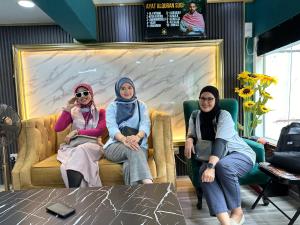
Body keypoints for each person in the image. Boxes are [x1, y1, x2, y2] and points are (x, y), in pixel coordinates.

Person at [184, 86, 255, 225]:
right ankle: (226, 222)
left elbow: (220, 142)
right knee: (203, 171)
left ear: (216, 100)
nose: (205, 102)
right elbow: (191, 133)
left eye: (210, 99)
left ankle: (237, 212)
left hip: (239, 154)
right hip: (217, 156)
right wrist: (189, 139)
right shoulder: (194, 115)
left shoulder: (224, 115)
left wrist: (211, 166)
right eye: (202, 98)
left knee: (222, 165)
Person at [55, 83, 106, 188]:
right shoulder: (73, 112)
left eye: (85, 93)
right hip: (74, 146)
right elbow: (58, 128)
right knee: (72, 159)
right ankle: (77, 195)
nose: (82, 96)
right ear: (76, 97)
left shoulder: (100, 111)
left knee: (81, 149)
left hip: (94, 146)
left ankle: (72, 192)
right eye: (79, 94)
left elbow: (99, 131)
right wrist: (67, 110)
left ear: (91, 93)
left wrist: (77, 132)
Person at [103, 77, 153, 185]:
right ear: (118, 90)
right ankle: (149, 184)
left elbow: (145, 124)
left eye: (129, 88)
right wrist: (124, 139)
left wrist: (137, 137)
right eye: (123, 88)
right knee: (132, 148)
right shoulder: (112, 107)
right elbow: (112, 128)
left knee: (129, 165)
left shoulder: (141, 106)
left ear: (134, 89)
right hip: (115, 146)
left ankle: (132, 200)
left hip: (139, 144)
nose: (127, 91)